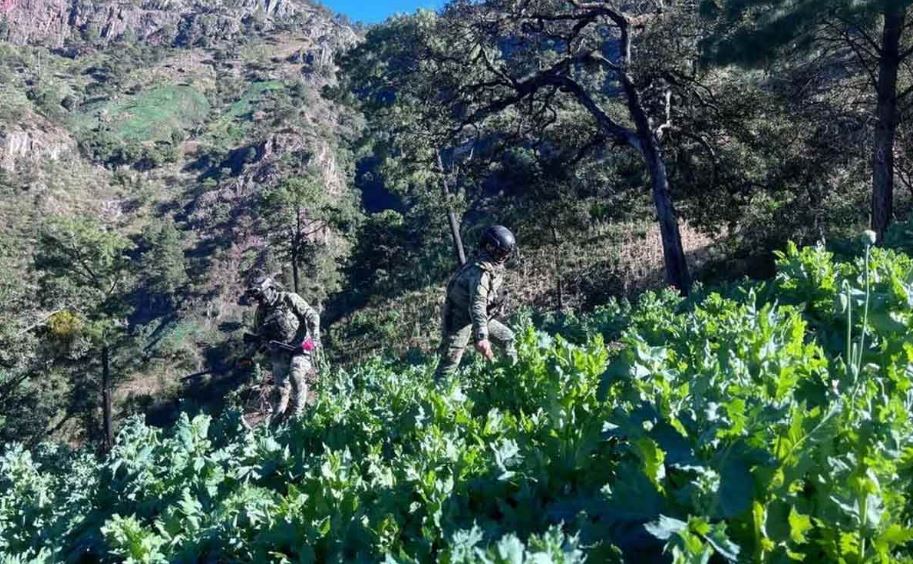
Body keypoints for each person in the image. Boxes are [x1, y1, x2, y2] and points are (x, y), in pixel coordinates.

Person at [434, 225, 517, 381]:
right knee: (449, 364)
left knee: (507, 339)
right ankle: (437, 392)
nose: (505, 257)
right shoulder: (480, 272)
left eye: (506, 254)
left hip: (479, 319)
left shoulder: (489, 266)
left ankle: (511, 378)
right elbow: (477, 304)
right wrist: (482, 336)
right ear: (490, 247)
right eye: (502, 253)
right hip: (459, 319)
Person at [241, 275, 320, 423]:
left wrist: (315, 338)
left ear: (270, 289)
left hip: (302, 345)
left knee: (296, 375)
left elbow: (312, 315)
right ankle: (276, 422)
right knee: (280, 390)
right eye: (257, 298)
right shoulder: (260, 313)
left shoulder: (289, 299)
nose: (259, 300)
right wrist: (247, 356)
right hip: (280, 353)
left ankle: (297, 415)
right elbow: (258, 338)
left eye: (261, 296)